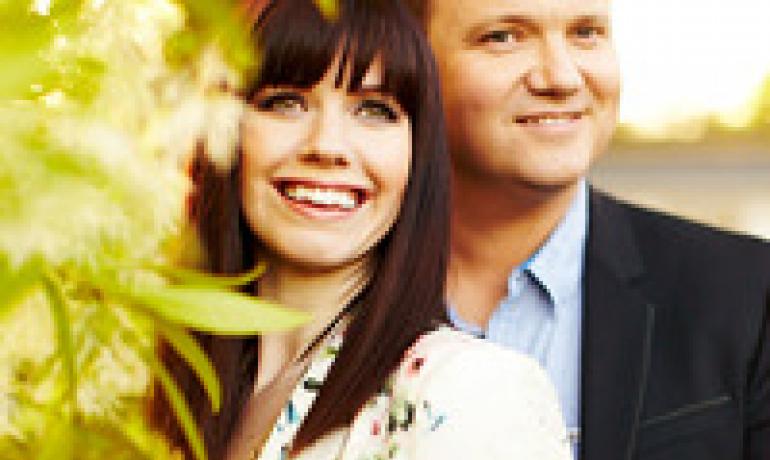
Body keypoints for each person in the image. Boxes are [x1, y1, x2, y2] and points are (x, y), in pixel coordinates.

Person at [149, 0, 571, 459]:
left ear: (417, 156)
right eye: (286, 103)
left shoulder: (474, 392)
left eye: (373, 111)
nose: (327, 147)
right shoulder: (152, 384)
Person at [403, 0, 770, 459]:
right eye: (503, 37)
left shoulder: (748, 294)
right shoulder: (335, 294)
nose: (561, 78)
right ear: (406, 60)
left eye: (585, 32)